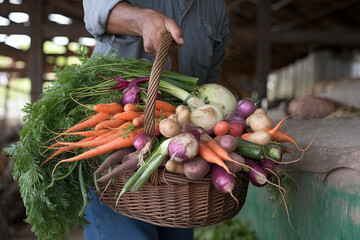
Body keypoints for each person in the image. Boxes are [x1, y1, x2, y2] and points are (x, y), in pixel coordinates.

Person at [82, 1, 229, 239]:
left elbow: (209, 90)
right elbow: (95, 11)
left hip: (178, 167)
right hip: (115, 154)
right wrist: (142, 19)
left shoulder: (215, 8)